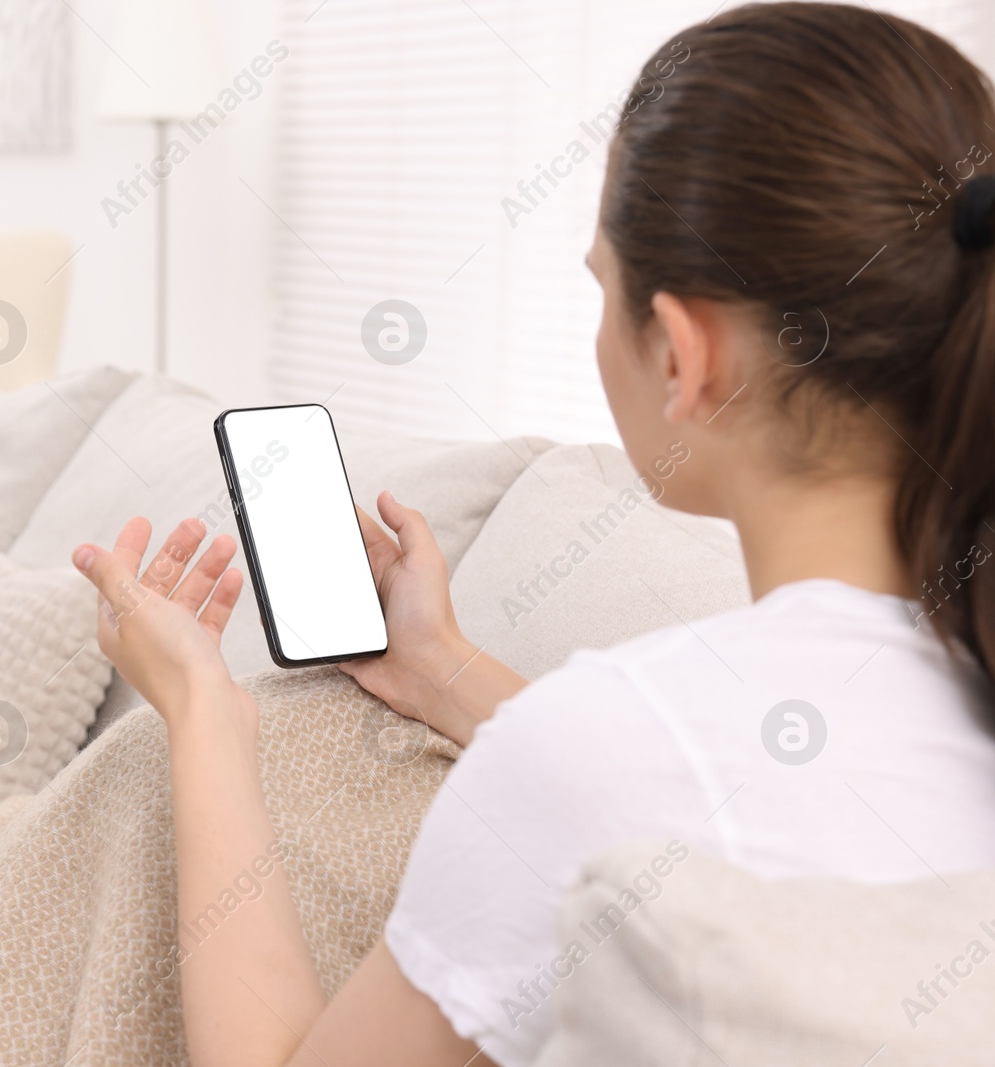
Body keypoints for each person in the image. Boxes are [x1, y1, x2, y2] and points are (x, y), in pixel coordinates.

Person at [69, 4, 995, 1064]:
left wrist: (199, 709)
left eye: (604, 287)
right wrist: (441, 668)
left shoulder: (593, 745)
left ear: (683, 356)